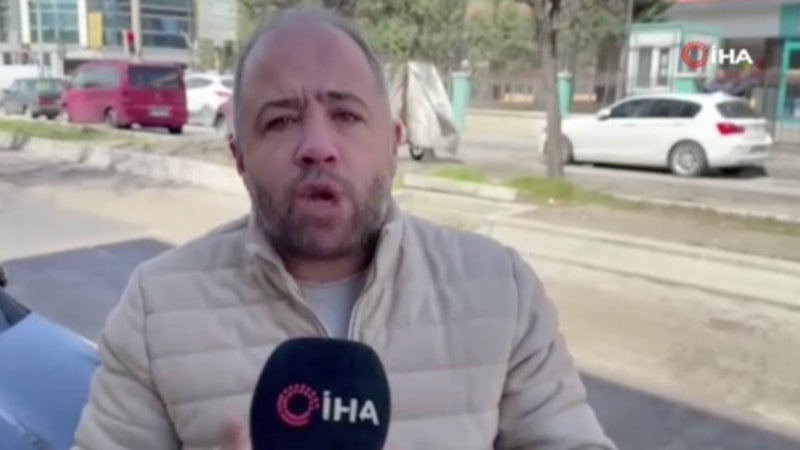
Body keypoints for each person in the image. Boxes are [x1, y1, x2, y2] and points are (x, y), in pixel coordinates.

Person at [71, 6, 616, 450]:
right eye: (281, 120)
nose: (317, 146)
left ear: (393, 144)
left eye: (347, 115)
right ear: (239, 157)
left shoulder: (501, 289)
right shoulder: (156, 308)